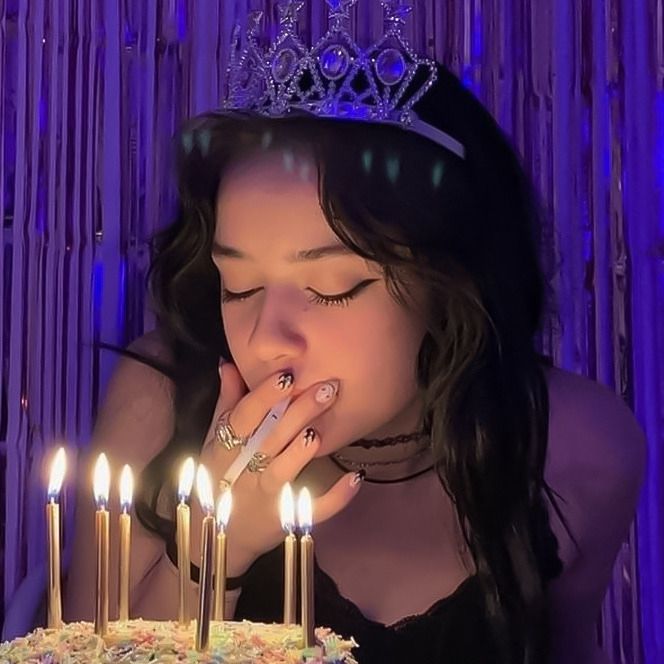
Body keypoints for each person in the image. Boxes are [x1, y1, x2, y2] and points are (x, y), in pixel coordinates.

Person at [63, 45, 645, 664]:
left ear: (448, 284)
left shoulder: (578, 446)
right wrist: (216, 545)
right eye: (240, 286)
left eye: (331, 288)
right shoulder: (164, 398)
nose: (265, 339)